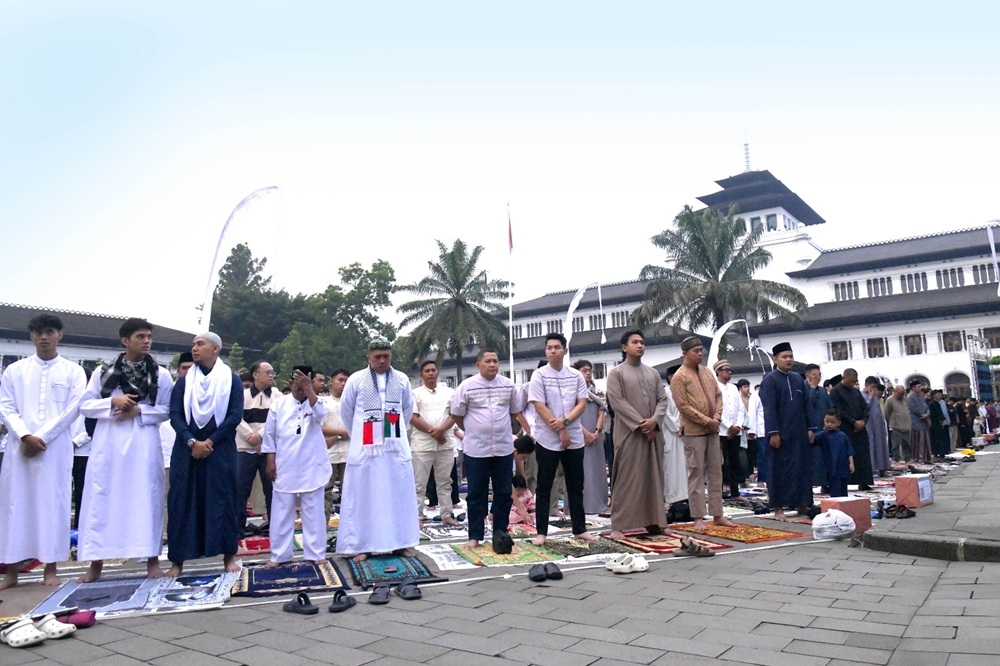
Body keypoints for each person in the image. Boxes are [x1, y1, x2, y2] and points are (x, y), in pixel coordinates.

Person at [78, 318, 175, 582]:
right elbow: (85, 405)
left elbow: (168, 410)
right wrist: (113, 401)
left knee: (147, 498)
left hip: (143, 442)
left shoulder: (160, 374)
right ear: (125, 341)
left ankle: (151, 560)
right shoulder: (103, 372)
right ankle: (95, 564)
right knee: (102, 498)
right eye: (140, 336)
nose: (146, 341)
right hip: (108, 443)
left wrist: (139, 410)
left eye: (149, 337)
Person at [0, 314, 87, 589]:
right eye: (38, 332)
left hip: (54, 449)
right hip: (19, 449)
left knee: (53, 505)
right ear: (32, 336)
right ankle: (11, 571)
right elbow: (6, 406)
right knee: (14, 506)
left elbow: (73, 410)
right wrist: (25, 436)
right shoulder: (15, 370)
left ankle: (51, 568)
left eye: (49, 332)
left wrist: (42, 437)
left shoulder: (73, 371)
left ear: (60, 335)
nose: (44, 337)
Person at [167, 332, 244, 576]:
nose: (194, 348)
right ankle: (177, 562)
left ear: (215, 349)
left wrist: (209, 441)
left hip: (219, 449)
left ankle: (229, 557)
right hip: (187, 450)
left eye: (200, 344)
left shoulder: (231, 380)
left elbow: (234, 415)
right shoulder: (184, 382)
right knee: (182, 501)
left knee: (224, 500)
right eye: (193, 344)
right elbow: (175, 414)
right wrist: (192, 442)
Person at [336, 338, 419, 562]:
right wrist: (359, 436)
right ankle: (363, 545)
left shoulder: (401, 379)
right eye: (377, 357)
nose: (382, 361)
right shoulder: (356, 379)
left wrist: (392, 435)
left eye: (386, 356)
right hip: (366, 450)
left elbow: (407, 410)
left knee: (398, 496)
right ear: (369, 358)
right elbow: (346, 412)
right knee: (364, 497)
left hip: (394, 449)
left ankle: (400, 543)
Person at [450, 349, 526, 550]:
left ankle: (500, 534)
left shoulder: (508, 385)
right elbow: (456, 414)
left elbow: (514, 411)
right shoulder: (467, 386)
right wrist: (473, 429)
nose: (492, 365)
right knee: (476, 493)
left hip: (502, 448)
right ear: (478, 365)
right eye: (488, 361)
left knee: (503, 493)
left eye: (495, 361)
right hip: (476, 449)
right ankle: (475, 536)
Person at [528, 334, 594, 546]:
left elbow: (581, 403)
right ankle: (541, 532)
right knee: (544, 485)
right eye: (549, 348)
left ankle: (580, 529)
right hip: (547, 438)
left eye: (557, 347)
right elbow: (539, 405)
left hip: (574, 437)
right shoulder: (539, 375)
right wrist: (559, 429)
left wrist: (565, 423)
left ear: (565, 350)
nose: (553, 351)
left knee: (575, 484)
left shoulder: (575, 376)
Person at [262, 368, 331, 567]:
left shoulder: (318, 403)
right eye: (297, 383)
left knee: (313, 512)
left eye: (305, 383)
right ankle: (279, 556)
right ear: (290, 383)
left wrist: (309, 390)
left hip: (312, 466)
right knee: (281, 513)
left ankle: (316, 554)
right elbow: (269, 435)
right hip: (285, 465)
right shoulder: (279, 404)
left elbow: (320, 415)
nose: (300, 387)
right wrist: (270, 460)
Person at [606, 330, 671, 538]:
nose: (640, 345)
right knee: (627, 479)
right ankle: (619, 525)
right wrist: (642, 425)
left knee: (654, 478)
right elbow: (617, 402)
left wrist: (654, 421)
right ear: (624, 347)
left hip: (653, 434)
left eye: (642, 342)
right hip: (629, 434)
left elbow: (663, 400)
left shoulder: (653, 373)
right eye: (635, 342)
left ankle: (654, 521)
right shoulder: (616, 373)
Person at [758, 342, 814, 520]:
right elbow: (769, 409)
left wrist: (810, 428)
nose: (788, 359)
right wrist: (773, 433)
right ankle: (778, 509)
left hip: (799, 433)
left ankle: (802, 505)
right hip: (780, 434)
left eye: (790, 356)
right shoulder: (770, 380)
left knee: (801, 469)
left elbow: (806, 405)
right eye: (784, 357)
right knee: (778, 471)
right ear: (775, 359)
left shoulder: (798, 379)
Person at [409, 360, 459, 527]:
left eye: (433, 370)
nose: (430, 373)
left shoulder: (449, 392)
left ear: (437, 373)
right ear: (421, 375)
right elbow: (413, 418)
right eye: (427, 371)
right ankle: (417, 516)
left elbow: (455, 414)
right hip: (422, 445)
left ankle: (447, 514)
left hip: (445, 444)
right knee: (419, 484)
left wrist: (441, 431)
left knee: (445, 482)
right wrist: (435, 433)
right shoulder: (415, 394)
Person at [235, 361, 277, 536]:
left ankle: (276, 529)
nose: (271, 375)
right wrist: (250, 436)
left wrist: (259, 436)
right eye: (268, 372)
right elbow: (236, 417)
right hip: (244, 448)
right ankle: (237, 530)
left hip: (268, 449)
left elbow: (277, 419)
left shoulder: (277, 395)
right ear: (255, 375)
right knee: (240, 489)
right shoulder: (241, 395)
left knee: (272, 489)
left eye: (272, 372)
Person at [573, 359, 608, 515]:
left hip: (595, 434)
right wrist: (586, 434)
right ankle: (582, 505)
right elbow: (571, 416)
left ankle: (598, 503)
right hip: (578, 433)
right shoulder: (572, 392)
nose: (588, 373)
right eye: (584, 370)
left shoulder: (596, 392)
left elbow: (602, 412)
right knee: (582, 469)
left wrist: (596, 432)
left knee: (597, 468)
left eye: (590, 370)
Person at [829, 369, 873, 490]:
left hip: (860, 428)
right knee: (847, 456)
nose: (853, 383)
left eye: (855, 381)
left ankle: (864, 481)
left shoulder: (855, 391)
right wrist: (853, 422)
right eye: (851, 381)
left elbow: (865, 408)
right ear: (844, 378)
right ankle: (847, 482)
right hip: (846, 428)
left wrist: (863, 422)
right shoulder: (836, 391)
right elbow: (838, 410)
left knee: (863, 455)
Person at [321, 368, 351, 521]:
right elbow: (318, 426)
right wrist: (339, 434)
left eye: (346, 380)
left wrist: (337, 436)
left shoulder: (353, 403)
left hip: (349, 452)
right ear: (331, 381)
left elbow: (357, 427)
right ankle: (322, 527)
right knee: (325, 491)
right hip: (329, 452)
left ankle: (349, 527)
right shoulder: (323, 402)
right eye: (340, 380)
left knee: (350, 491)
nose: (343, 384)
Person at [714, 359, 743, 501]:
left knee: (735, 462)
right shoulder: (714, 387)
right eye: (726, 370)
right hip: (721, 432)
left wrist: (737, 426)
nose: (729, 372)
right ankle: (718, 494)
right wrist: (729, 426)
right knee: (719, 464)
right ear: (718, 372)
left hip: (735, 431)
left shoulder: (733, 388)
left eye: (730, 370)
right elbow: (716, 410)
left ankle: (735, 493)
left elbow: (741, 409)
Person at [662, 365, 688, 506]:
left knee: (686, 469)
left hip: (687, 435)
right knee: (673, 469)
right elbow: (665, 414)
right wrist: (678, 428)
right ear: (671, 378)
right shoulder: (665, 393)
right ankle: (673, 499)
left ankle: (686, 498)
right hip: (672, 435)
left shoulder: (686, 392)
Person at [813, 410, 854, 497]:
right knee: (835, 490)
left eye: (832, 422)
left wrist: (851, 463)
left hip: (843, 467)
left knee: (844, 490)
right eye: (827, 422)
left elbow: (849, 451)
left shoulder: (843, 436)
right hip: (832, 469)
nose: (829, 424)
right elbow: (812, 439)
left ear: (839, 423)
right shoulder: (823, 435)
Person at [804, 363, 832, 492]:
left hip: (823, 427)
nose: (818, 377)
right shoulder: (803, 389)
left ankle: (824, 485)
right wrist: (812, 387)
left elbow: (829, 407)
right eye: (814, 375)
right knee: (812, 459)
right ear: (807, 376)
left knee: (824, 458)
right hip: (810, 429)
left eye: (819, 375)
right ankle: (809, 486)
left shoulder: (822, 390)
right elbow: (808, 405)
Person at [863, 377, 891, 474]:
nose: (874, 389)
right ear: (866, 385)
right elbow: (864, 408)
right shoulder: (861, 395)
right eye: (872, 387)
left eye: (875, 388)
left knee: (881, 446)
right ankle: (872, 469)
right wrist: (870, 397)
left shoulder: (876, 397)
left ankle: (882, 468)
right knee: (871, 446)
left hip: (878, 425)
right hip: (869, 425)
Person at [884, 384, 911, 462]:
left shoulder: (905, 399)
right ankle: (897, 460)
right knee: (895, 445)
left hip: (906, 426)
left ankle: (907, 459)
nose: (901, 395)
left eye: (903, 394)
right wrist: (891, 423)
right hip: (895, 426)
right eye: (900, 394)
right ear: (895, 391)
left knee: (907, 445)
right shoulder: (889, 400)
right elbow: (887, 413)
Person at [906, 381, 932, 463]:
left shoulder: (921, 397)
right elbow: (914, 409)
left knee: (925, 441)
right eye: (918, 386)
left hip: (924, 423)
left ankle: (926, 458)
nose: (920, 388)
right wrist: (922, 415)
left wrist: (927, 414)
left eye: (920, 386)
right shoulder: (910, 398)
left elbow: (927, 407)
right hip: (916, 423)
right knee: (917, 442)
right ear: (913, 388)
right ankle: (917, 458)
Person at [928, 389, 950, 462]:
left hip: (940, 424)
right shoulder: (932, 404)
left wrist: (943, 420)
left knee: (942, 439)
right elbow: (934, 414)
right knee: (936, 440)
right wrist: (941, 421)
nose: (940, 396)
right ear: (934, 396)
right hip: (935, 424)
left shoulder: (939, 403)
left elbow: (941, 413)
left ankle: (942, 453)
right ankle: (936, 454)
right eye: (938, 395)